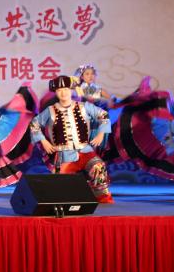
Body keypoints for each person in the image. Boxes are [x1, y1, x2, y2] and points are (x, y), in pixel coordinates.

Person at [30, 75, 114, 203]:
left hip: (85, 151)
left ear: (71, 90)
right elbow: (34, 124)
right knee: (60, 188)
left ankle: (102, 198)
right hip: (64, 154)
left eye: (66, 89)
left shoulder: (84, 106)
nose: (63, 92)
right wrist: (43, 141)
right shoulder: (50, 111)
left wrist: (101, 134)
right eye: (59, 90)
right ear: (55, 92)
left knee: (98, 166)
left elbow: (103, 115)